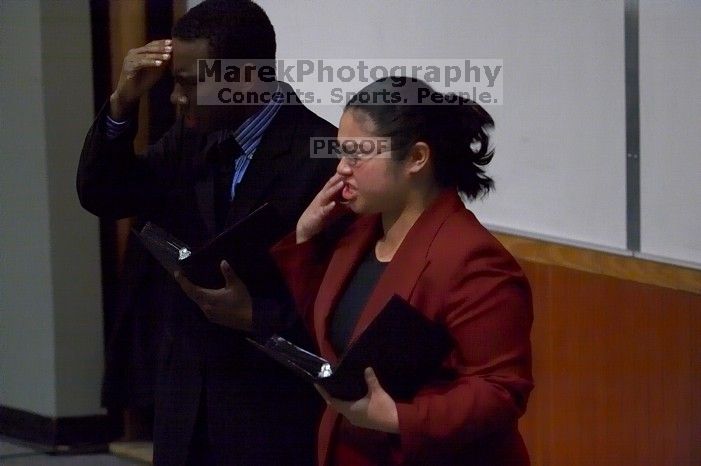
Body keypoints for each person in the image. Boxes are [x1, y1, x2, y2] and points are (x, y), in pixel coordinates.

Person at [77, 0, 337, 464]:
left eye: (188, 83)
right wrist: (121, 103)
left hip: (268, 413)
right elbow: (105, 196)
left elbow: (339, 304)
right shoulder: (192, 136)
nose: (176, 98)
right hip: (185, 404)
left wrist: (257, 314)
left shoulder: (321, 155)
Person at [267, 77, 534, 465]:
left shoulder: (473, 260)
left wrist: (398, 418)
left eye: (356, 156)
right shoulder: (359, 232)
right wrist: (305, 237)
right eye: (341, 153)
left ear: (416, 159)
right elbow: (333, 333)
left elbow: (502, 391)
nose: (341, 169)